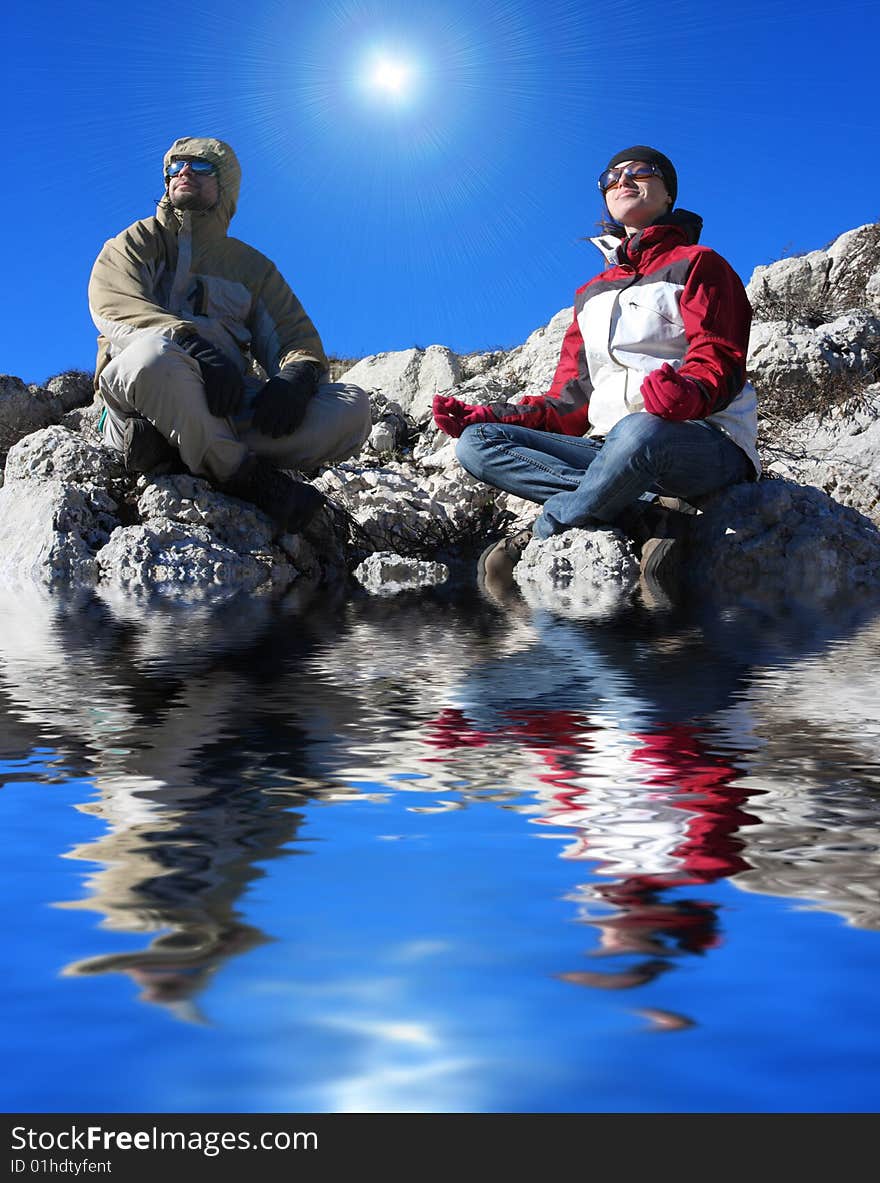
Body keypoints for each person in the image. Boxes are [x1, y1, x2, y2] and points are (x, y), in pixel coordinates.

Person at [433, 145, 760, 597]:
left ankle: (551, 525)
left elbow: (719, 355)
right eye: (612, 176)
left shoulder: (701, 263)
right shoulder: (590, 294)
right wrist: (490, 416)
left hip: (695, 441)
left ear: (668, 196)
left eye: (642, 172)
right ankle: (643, 517)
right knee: (476, 446)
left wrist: (688, 391)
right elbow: (568, 402)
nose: (624, 180)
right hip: (610, 451)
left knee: (640, 430)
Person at [89, 136, 371, 533]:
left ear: (225, 186)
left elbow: (295, 336)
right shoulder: (134, 242)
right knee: (153, 358)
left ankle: (185, 450)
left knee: (352, 408)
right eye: (176, 166)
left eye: (201, 166)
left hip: (226, 401)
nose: (184, 171)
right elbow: (113, 305)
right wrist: (192, 346)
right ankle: (246, 477)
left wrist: (296, 377)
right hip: (142, 397)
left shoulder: (253, 267)